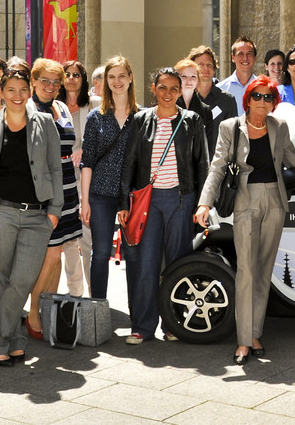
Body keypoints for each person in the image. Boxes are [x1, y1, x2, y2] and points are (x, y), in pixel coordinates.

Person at [194, 75, 295, 364]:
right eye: (257, 96)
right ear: (247, 99)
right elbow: (217, 168)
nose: (262, 102)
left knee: (263, 271)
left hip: (275, 201)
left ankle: (255, 334)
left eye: (268, 97)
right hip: (245, 202)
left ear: (274, 102)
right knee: (246, 272)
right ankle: (243, 341)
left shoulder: (278, 126)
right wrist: (204, 203)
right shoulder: (230, 127)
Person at [0, 67, 62, 366]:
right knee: (3, 280)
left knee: (22, 279)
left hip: (37, 216)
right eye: (11, 90)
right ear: (0, 91)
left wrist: (55, 211)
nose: (17, 95)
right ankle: (15, 339)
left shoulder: (46, 123)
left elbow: (56, 168)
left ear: (29, 91)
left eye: (23, 89)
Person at [117, 68, 208, 344]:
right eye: (163, 87)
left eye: (174, 89)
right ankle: (143, 327)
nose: (168, 94)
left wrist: (202, 203)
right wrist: (124, 203)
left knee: (177, 264)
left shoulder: (192, 120)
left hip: (181, 200)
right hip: (148, 202)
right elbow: (129, 164)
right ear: (153, 88)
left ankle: (173, 325)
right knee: (146, 264)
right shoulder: (141, 120)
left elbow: (202, 165)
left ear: (180, 92)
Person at [26, 59, 84, 339]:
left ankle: (48, 307)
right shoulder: (27, 108)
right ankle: (34, 309)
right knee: (49, 254)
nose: (51, 87)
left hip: (68, 185)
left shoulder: (61, 108)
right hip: (46, 190)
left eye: (56, 82)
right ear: (33, 81)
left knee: (59, 252)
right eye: (45, 81)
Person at [79, 56, 139, 299]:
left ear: (130, 78)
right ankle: (98, 309)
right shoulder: (96, 117)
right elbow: (88, 162)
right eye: (111, 77)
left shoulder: (142, 116)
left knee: (134, 254)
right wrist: (85, 201)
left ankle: (138, 314)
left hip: (132, 195)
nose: (116, 81)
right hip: (100, 193)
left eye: (121, 76)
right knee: (101, 253)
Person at [59, 60, 100, 298]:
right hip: (62, 181)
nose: (72, 78)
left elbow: (101, 139)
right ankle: (75, 292)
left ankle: (95, 295)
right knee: (69, 241)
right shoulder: (54, 106)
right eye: (68, 74)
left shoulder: (94, 105)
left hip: (87, 182)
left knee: (88, 239)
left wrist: (85, 149)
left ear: (83, 79)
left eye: (77, 74)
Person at [188, 45, 237, 149]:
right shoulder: (185, 99)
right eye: (201, 64)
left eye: (209, 65)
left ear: (214, 69)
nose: (206, 68)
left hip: (218, 161)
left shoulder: (227, 100)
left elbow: (233, 135)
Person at [217, 36, 260, 111]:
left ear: (255, 58)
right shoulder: (220, 89)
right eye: (240, 54)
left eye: (249, 54)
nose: (245, 58)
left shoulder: (263, 88)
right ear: (233, 58)